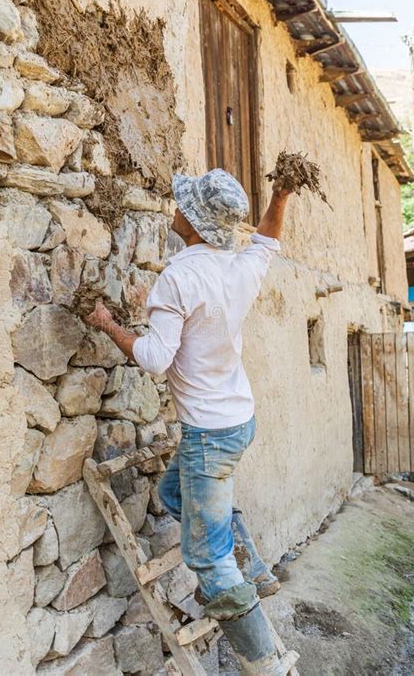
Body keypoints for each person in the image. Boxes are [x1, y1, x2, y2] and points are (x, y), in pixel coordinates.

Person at [87, 168, 291, 675]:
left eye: (182, 204)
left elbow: (157, 359)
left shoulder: (180, 275)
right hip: (239, 422)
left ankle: (267, 665)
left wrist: (108, 324)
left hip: (208, 436)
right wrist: (281, 194)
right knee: (176, 497)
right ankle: (254, 569)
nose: (174, 208)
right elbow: (267, 238)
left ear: (193, 219)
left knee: (206, 558)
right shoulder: (240, 266)